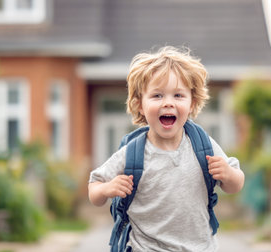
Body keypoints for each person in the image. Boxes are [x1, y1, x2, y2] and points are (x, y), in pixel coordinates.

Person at [88, 46, 244, 251]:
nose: (168, 103)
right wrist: (107, 189)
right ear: (140, 105)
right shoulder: (133, 152)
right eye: (157, 96)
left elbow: (235, 184)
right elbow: (94, 188)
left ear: (192, 103)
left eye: (178, 95)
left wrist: (228, 174)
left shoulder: (202, 145)